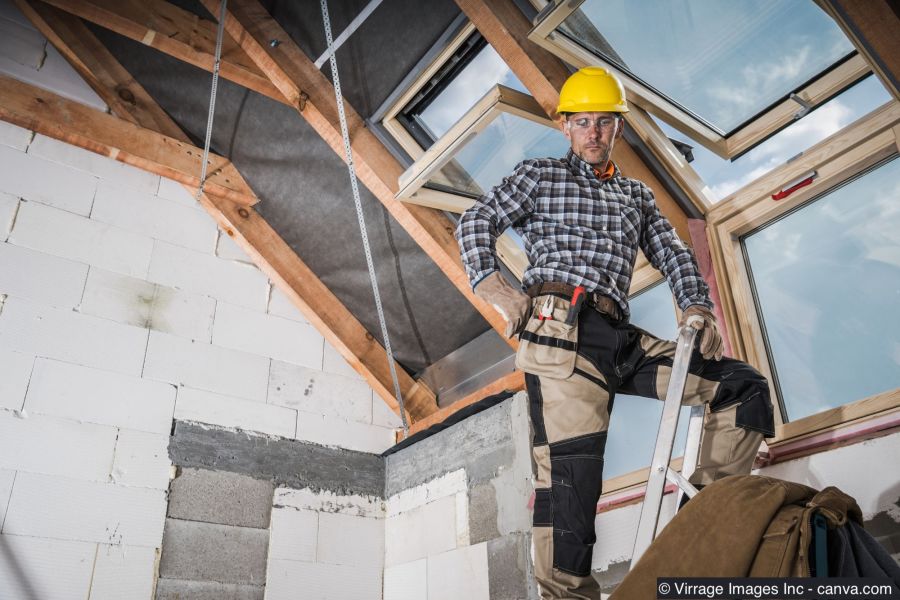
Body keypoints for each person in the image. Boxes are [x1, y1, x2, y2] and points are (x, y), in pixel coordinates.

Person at [455, 67, 775, 600]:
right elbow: (475, 223)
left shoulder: (636, 196)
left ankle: (704, 519)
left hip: (620, 339)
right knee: (572, 487)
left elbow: (673, 253)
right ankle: (566, 596)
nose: (594, 133)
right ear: (566, 127)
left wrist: (697, 306)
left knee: (742, 386)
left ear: (618, 129)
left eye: (605, 123)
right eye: (583, 123)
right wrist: (499, 290)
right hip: (561, 336)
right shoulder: (539, 176)